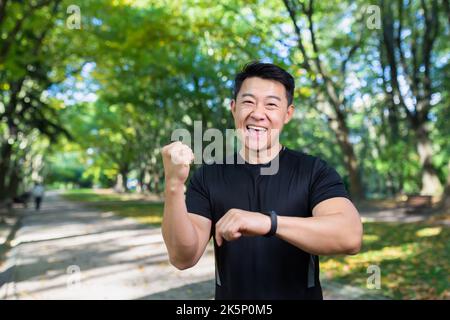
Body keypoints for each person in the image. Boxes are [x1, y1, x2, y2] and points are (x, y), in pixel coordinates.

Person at [161, 62, 363, 300]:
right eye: (248, 102)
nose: (258, 113)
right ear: (233, 108)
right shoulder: (208, 176)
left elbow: (350, 237)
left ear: (288, 114)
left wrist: (268, 223)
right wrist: (173, 185)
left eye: (271, 104)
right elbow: (182, 257)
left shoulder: (313, 171)